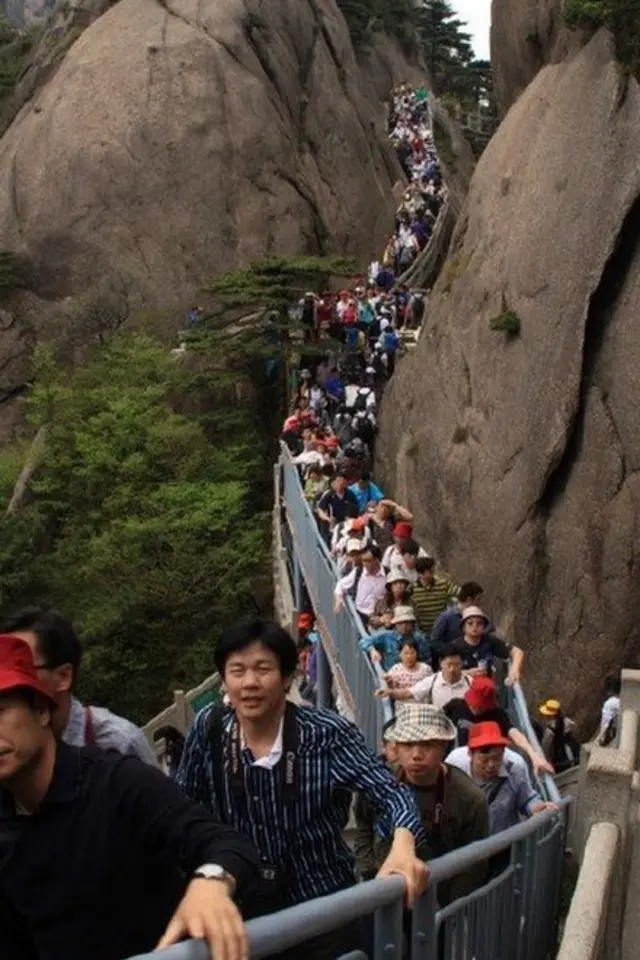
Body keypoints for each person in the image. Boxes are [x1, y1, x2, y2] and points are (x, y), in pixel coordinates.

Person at [177, 618, 428, 958]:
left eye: (263, 669)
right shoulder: (210, 729)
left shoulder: (327, 733)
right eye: (237, 671)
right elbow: (183, 811)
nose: (249, 683)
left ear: (287, 677)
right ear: (224, 680)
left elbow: (392, 792)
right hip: (241, 912)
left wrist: (403, 843)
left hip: (323, 907)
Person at [0, 634, 261, 960]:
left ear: (41, 711)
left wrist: (209, 881)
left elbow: (224, 842)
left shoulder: (116, 782)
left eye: (1, 711)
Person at [353, 704, 488, 904]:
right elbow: (364, 826)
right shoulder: (378, 782)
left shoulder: (469, 798)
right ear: (396, 746)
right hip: (382, 891)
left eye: (427, 744)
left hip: (438, 902)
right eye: (408, 744)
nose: (416, 755)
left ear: (443, 746)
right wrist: (369, 873)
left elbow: (475, 861)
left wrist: (450, 905)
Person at [0, 607, 158, 764]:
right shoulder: (11, 756)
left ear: (64, 676)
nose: (10, 681)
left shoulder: (118, 742)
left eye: (23, 670)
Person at [446, 722, 557, 836]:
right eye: (484, 759)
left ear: (504, 752)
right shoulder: (455, 764)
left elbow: (526, 798)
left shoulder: (515, 765)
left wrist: (536, 808)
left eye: (497, 758)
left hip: (502, 841)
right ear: (470, 753)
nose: (491, 764)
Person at [446, 676, 554, 776]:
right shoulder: (456, 707)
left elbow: (515, 734)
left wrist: (534, 756)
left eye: (481, 706)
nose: (476, 709)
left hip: (488, 764)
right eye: (473, 704)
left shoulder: (497, 714)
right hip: (463, 761)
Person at [377, 644, 471, 710]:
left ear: (462, 664)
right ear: (441, 663)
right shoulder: (432, 681)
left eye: (456, 665)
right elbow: (408, 693)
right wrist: (390, 692)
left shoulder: (470, 682)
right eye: (449, 665)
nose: (452, 669)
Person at [453, 607, 525, 686]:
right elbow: (444, 674)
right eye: (470, 623)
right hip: (462, 690)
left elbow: (516, 651)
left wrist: (515, 669)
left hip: (486, 689)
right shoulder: (455, 647)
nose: (475, 626)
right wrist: (467, 673)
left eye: (479, 623)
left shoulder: (489, 641)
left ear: (484, 626)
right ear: (463, 627)